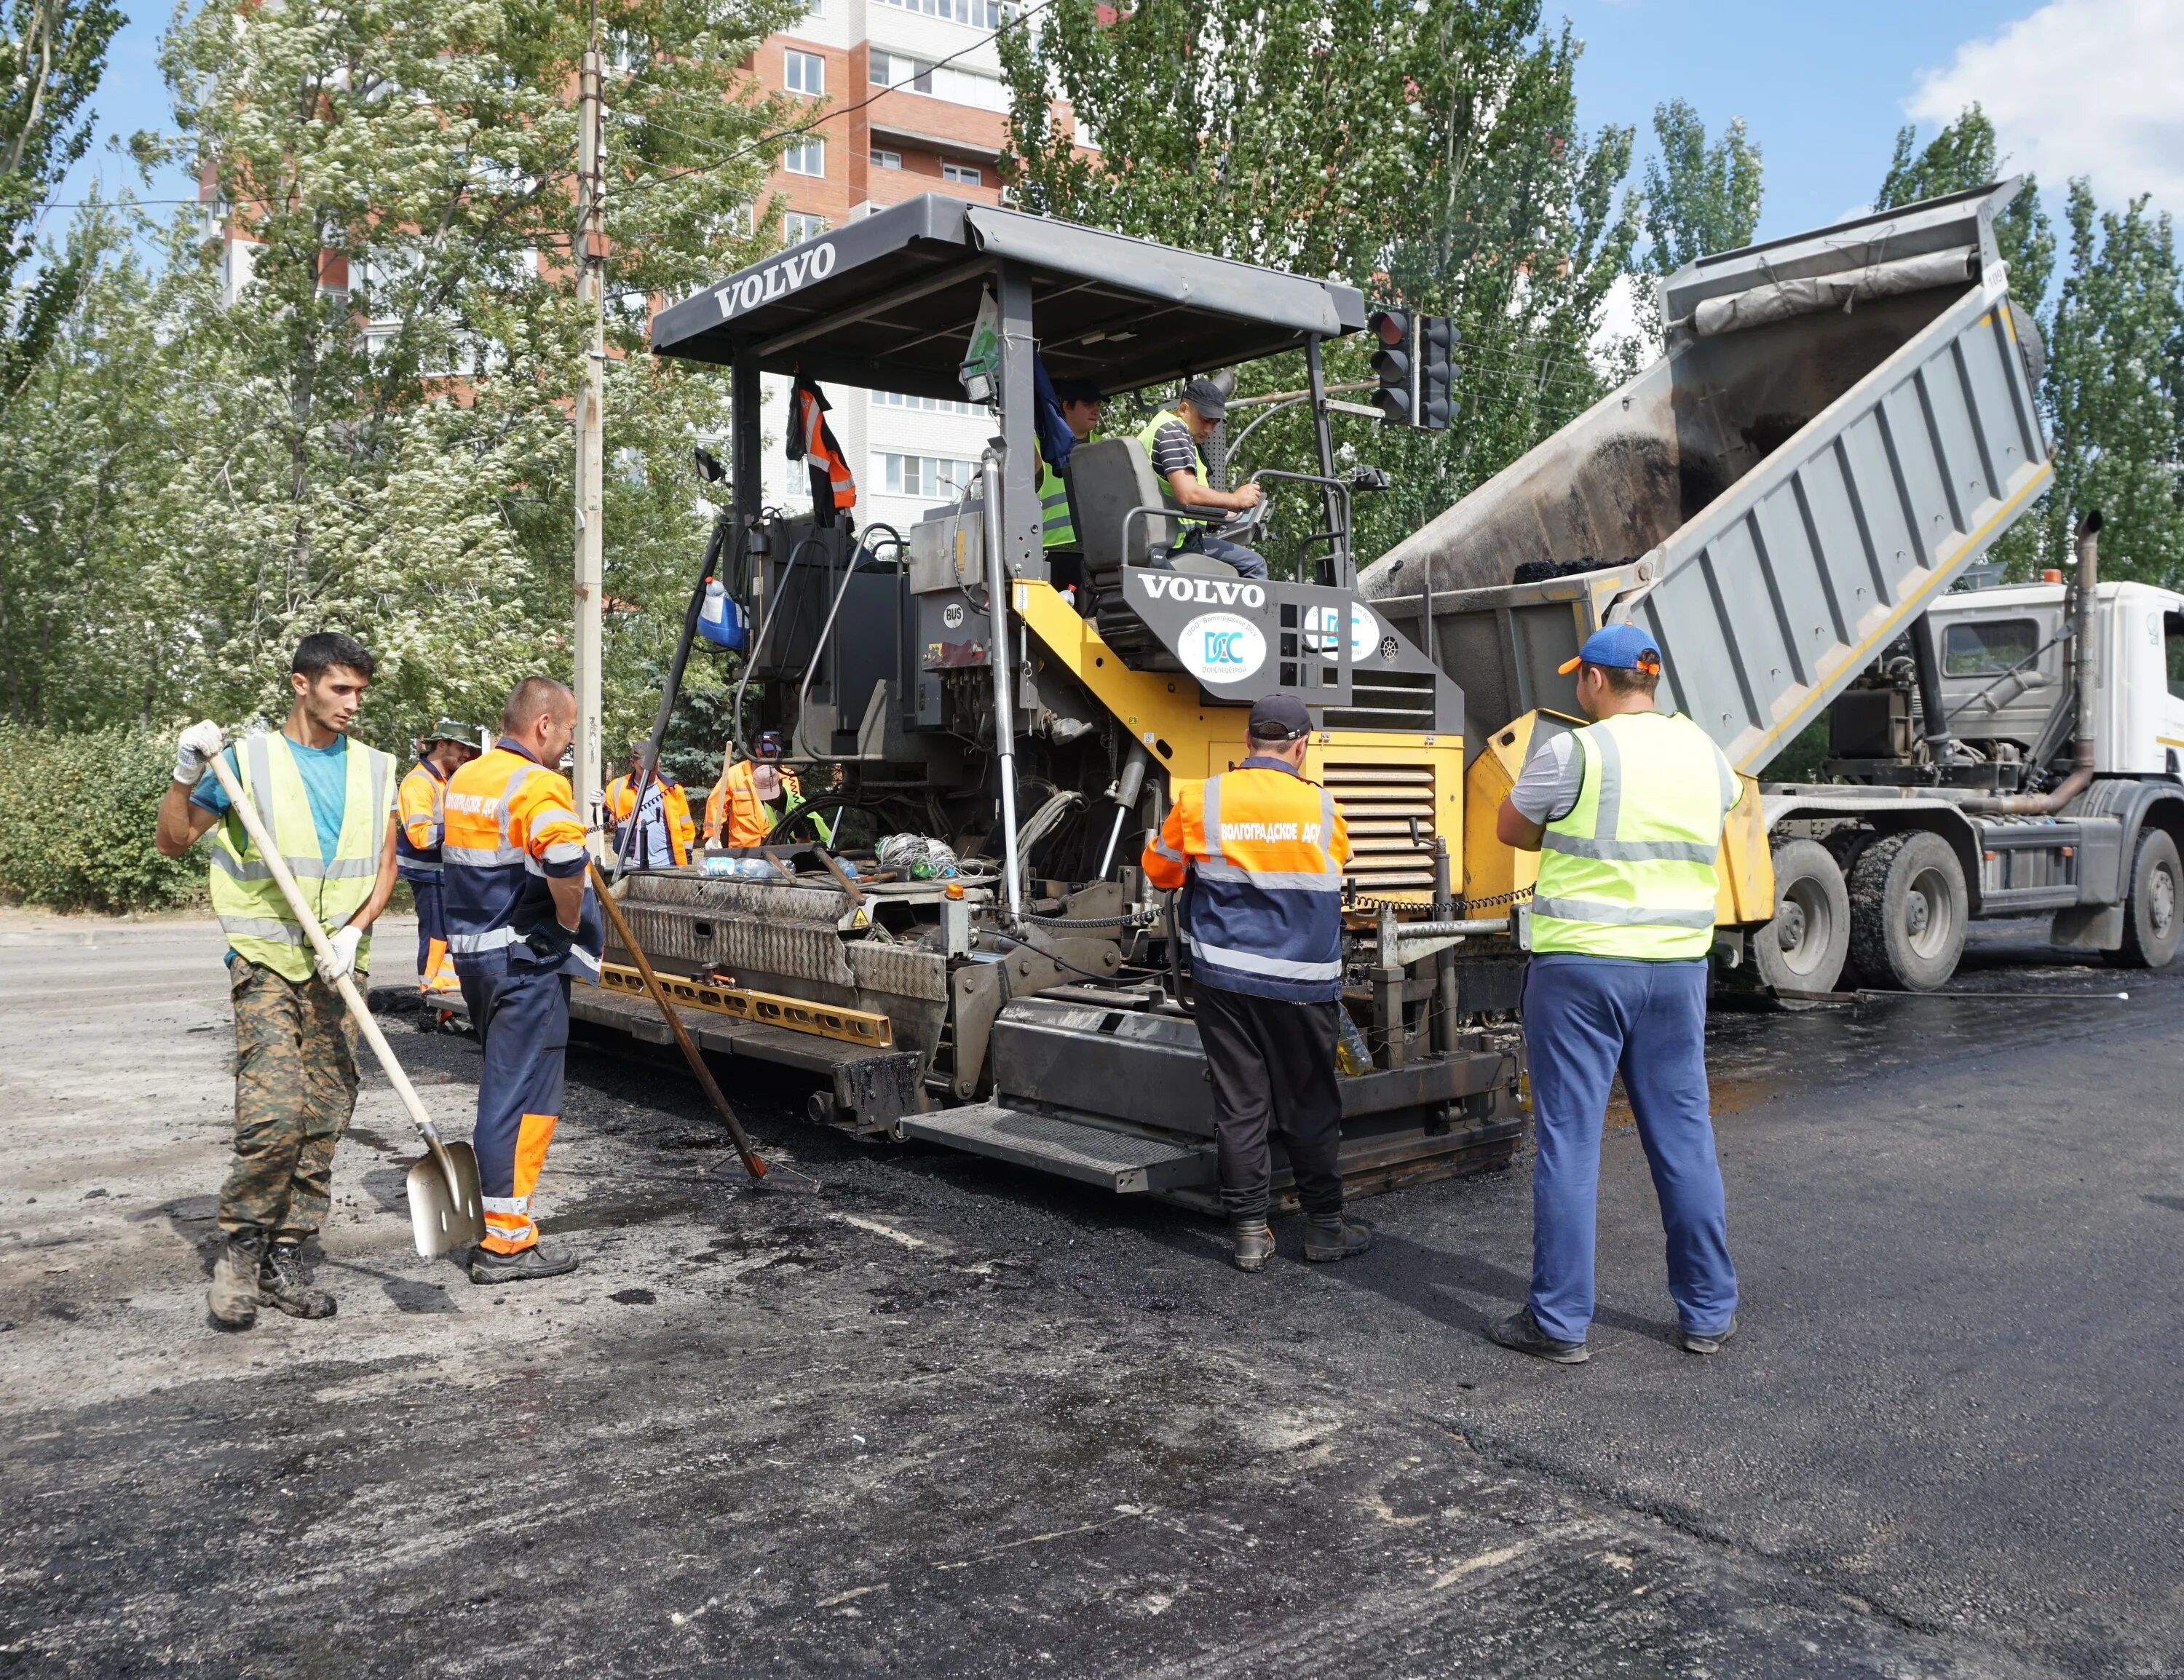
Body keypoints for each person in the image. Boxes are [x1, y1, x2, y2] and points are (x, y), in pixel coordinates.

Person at [1490, 623, 1743, 1363]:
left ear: (1595, 682)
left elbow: (1513, 827)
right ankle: (1708, 1313)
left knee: (1571, 1141)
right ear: (1652, 681)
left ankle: (1560, 1323)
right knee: (1685, 1136)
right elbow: (1714, 811)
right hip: (1676, 970)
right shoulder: (1705, 751)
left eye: (1580, 678)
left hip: (1582, 971)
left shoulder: (1576, 751)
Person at [154, 632, 400, 1330]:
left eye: (360, 691)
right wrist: (182, 773)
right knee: (273, 1113)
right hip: (265, 959)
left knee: (326, 1111)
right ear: (301, 685)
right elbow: (173, 841)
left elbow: (386, 867)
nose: (354, 704)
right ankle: (241, 1248)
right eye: (340, 689)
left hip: (338, 963)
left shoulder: (378, 768)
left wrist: (355, 931)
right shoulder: (243, 763)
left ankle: (290, 1248)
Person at [1142, 693, 1369, 1272]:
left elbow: (1159, 869)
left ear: (1247, 743)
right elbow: (1337, 870)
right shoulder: (1324, 809)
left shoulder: (1202, 799)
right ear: (1301, 746)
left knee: (1241, 1107)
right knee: (1309, 1103)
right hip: (1303, 984)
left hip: (1227, 979)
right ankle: (1324, 1228)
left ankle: (1248, 1233)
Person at [443, 676, 603, 1284]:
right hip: (525, 961)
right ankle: (506, 1243)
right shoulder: (538, 782)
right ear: (542, 726)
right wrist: (567, 923)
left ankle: (508, 1226)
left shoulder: (467, 780)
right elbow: (565, 859)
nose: (566, 743)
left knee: (511, 1088)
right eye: (566, 730)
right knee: (520, 1094)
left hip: (479, 958)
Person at [1134, 376, 1266, 579]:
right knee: (1255, 564)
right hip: (1174, 544)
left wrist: (1217, 516)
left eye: (1214, 424)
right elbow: (1188, 494)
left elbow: (1168, 497)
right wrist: (1235, 499)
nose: (1208, 430)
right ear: (1184, 409)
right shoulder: (1174, 431)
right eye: (1205, 420)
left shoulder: (1158, 427)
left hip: (1154, 538)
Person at [397, 719, 480, 996]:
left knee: (449, 936)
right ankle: (428, 990)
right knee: (436, 937)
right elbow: (420, 837)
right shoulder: (419, 783)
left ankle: (442, 991)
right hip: (429, 875)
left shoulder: (444, 780)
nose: (466, 755)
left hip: (445, 874)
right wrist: (461, 825)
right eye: (461, 748)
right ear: (441, 745)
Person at [604, 737, 697, 868]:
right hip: (630, 866)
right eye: (645, 767)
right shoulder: (617, 787)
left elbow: (686, 828)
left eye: (655, 766)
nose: (651, 771)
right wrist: (599, 806)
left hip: (668, 866)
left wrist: (686, 860)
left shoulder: (673, 790)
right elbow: (605, 823)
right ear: (633, 762)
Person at [705, 731, 803, 848]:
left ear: (778, 752)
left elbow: (795, 813)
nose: (766, 756)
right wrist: (712, 836)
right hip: (743, 848)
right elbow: (715, 804)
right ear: (754, 750)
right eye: (762, 753)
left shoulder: (788, 777)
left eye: (770, 753)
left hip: (778, 845)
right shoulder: (735, 774)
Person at [1039, 377, 1104, 552]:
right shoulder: (1040, 445)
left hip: (1096, 548)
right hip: (1053, 549)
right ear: (1067, 407)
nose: (1096, 410)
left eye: (1098, 404)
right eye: (1088, 403)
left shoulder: (1105, 446)